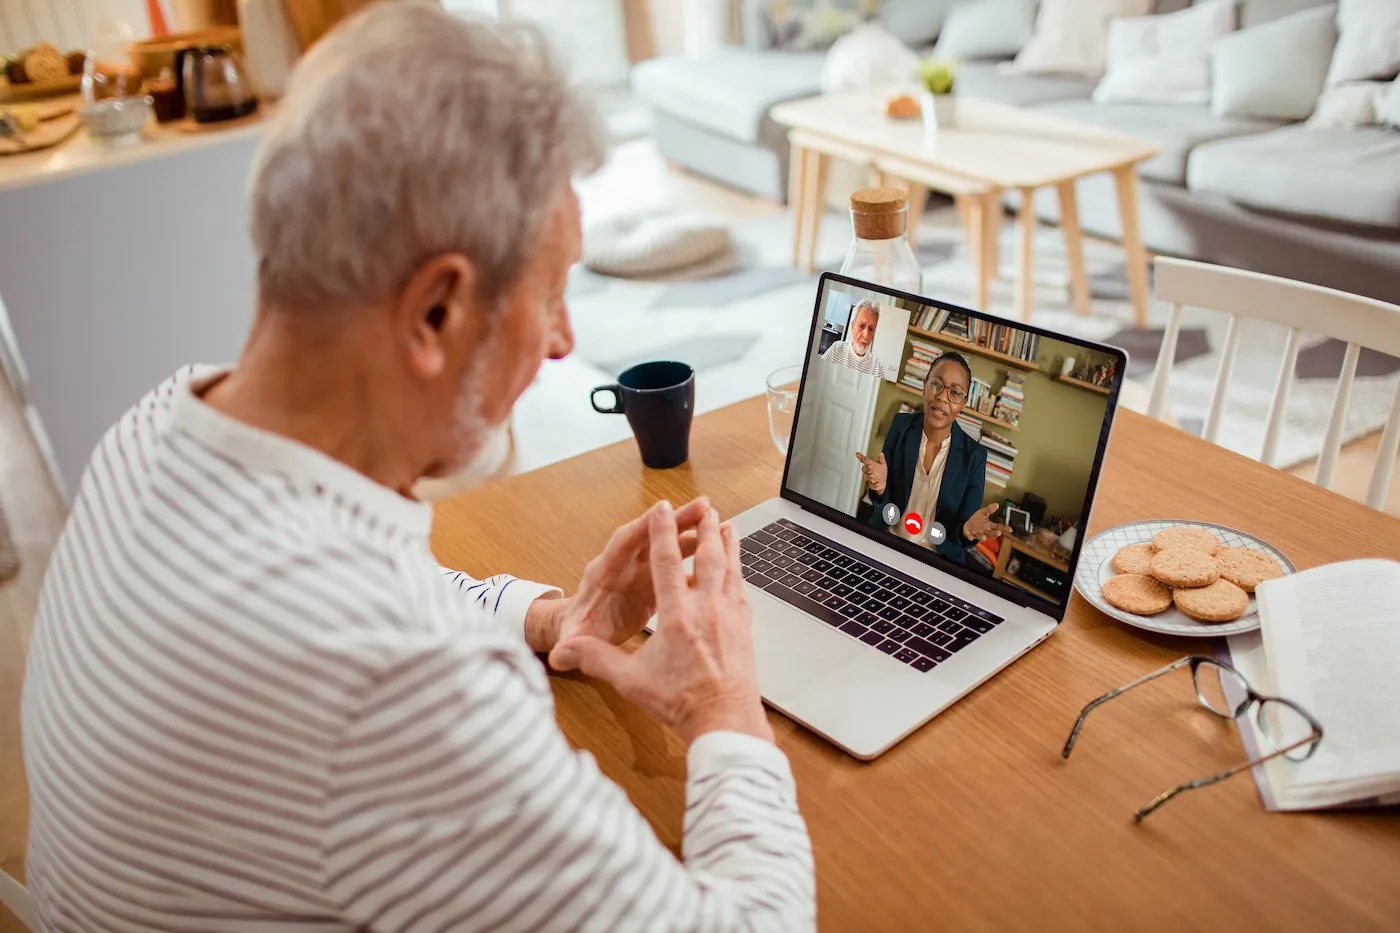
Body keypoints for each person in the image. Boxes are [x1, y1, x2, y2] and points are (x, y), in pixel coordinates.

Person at [19, 4, 815, 929]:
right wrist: (721, 701)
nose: (564, 341)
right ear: (436, 311)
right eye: (552, 293)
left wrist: (556, 614)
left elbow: (390, 587)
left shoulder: (160, 424)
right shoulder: (395, 691)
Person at [856, 353, 1012, 564]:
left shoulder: (975, 457)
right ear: (925, 386)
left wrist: (966, 532)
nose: (942, 397)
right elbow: (885, 505)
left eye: (955, 392)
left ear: (963, 404)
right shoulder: (901, 426)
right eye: (936, 384)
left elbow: (963, 531)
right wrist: (881, 488)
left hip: (937, 562)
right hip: (886, 542)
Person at [820, 298, 885, 377]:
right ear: (852, 326)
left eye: (871, 329)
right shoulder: (836, 349)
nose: (866, 335)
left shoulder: (877, 367)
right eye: (861, 326)